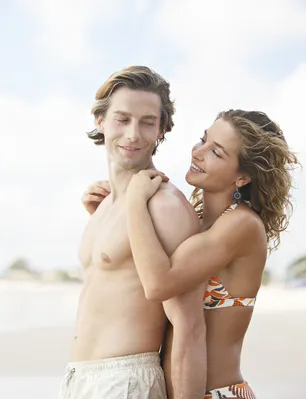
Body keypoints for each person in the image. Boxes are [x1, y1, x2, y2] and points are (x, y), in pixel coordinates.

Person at [83, 109, 299, 398]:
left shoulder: (241, 225)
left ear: (243, 177)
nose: (198, 153)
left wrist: (134, 202)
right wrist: (109, 211)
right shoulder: (196, 221)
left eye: (216, 153)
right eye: (203, 140)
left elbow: (159, 283)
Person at [60, 65, 207, 399]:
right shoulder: (106, 205)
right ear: (101, 121)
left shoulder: (164, 205)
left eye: (147, 122)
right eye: (122, 119)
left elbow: (188, 326)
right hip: (78, 379)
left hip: (125, 382)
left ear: (161, 130)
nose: (133, 134)